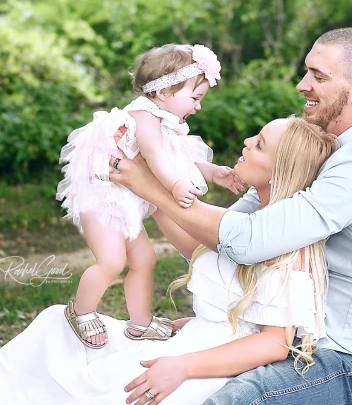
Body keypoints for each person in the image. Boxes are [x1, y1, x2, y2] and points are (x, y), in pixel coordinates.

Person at [109, 27, 352, 404]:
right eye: (306, 72)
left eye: (318, 76)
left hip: (343, 358)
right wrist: (151, 184)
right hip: (290, 340)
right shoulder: (304, 153)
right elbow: (218, 239)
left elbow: (246, 241)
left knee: (231, 399)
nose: (302, 85)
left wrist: (151, 188)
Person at [0, 117, 337, 405]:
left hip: (203, 364)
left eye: (260, 144)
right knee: (56, 326)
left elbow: (274, 342)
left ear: (280, 171)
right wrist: (145, 177)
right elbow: (201, 250)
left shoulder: (288, 241)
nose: (247, 142)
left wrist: (183, 365)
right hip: (196, 341)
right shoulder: (252, 220)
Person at [55, 43, 241, 349]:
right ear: (165, 92)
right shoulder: (143, 114)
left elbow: (173, 156)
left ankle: (140, 323)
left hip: (124, 201)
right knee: (112, 261)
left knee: (145, 259)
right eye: (195, 98)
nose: (198, 107)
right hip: (102, 198)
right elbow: (154, 154)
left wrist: (211, 171)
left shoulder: (163, 120)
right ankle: (80, 310)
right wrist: (177, 184)